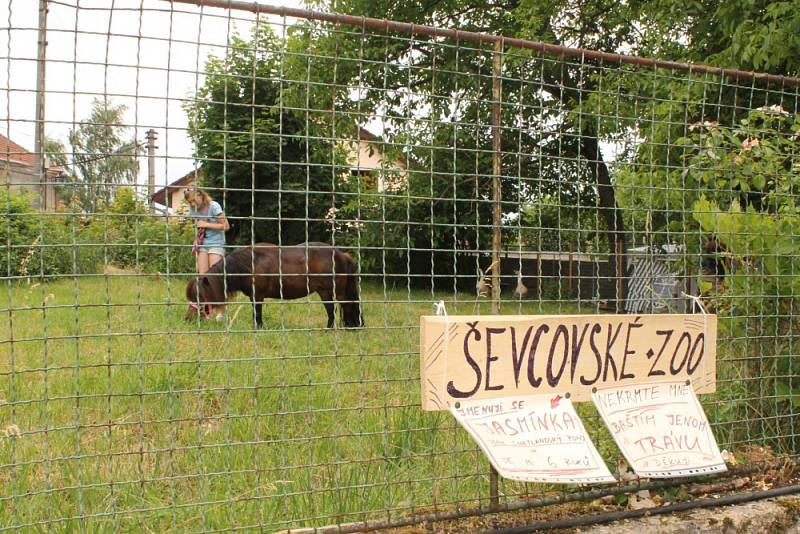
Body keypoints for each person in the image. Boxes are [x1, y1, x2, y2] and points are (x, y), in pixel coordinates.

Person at [185, 187, 229, 274]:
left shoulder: (214, 206)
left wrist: (206, 224)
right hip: (203, 244)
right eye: (190, 202)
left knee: (214, 273)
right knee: (202, 275)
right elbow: (200, 226)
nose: (193, 204)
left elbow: (226, 226)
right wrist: (196, 239)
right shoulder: (192, 209)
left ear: (200, 195)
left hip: (216, 243)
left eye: (194, 200)